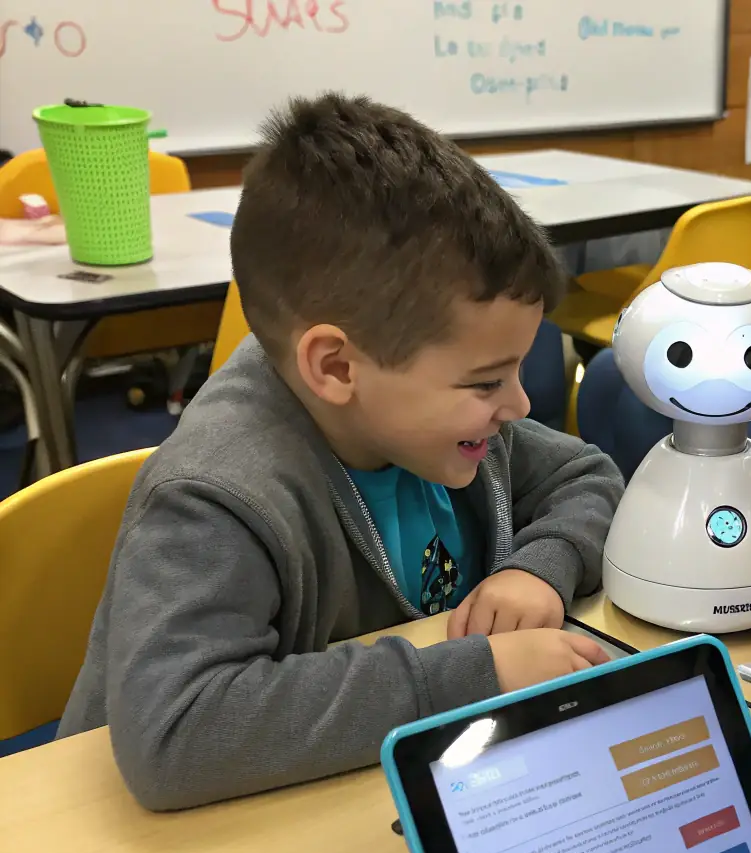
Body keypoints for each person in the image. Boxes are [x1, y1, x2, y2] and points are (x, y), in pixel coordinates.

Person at [57, 93, 625, 810]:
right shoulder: (214, 496)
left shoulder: (438, 424)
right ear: (335, 368)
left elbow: (586, 474)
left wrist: (539, 570)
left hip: (367, 792)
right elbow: (176, 734)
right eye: (485, 381)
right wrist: (472, 675)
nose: (519, 405)